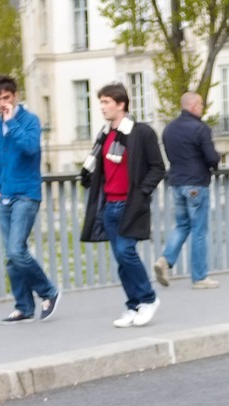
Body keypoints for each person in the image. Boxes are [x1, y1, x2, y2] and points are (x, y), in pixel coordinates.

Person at [79, 82, 166, 328]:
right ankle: (133, 305)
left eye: (106, 102)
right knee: (121, 258)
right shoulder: (105, 134)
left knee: (127, 252)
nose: (102, 108)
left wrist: (141, 193)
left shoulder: (141, 133)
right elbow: (99, 168)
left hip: (130, 205)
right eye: (101, 102)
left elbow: (158, 167)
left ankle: (149, 299)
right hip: (109, 206)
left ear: (121, 104)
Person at [0, 75, 60, 324]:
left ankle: (49, 292)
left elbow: (30, 147)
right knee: (10, 255)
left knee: (17, 250)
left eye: (6, 98)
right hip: (4, 196)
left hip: (26, 194)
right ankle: (24, 306)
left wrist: (12, 123)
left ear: (15, 96)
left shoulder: (30, 121)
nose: (2, 103)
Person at [154, 93, 221, 290]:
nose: (202, 107)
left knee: (182, 225)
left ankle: (165, 260)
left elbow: (170, 155)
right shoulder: (200, 128)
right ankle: (199, 277)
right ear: (192, 106)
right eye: (201, 104)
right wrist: (216, 162)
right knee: (199, 230)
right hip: (196, 184)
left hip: (176, 183)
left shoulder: (168, 129)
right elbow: (211, 157)